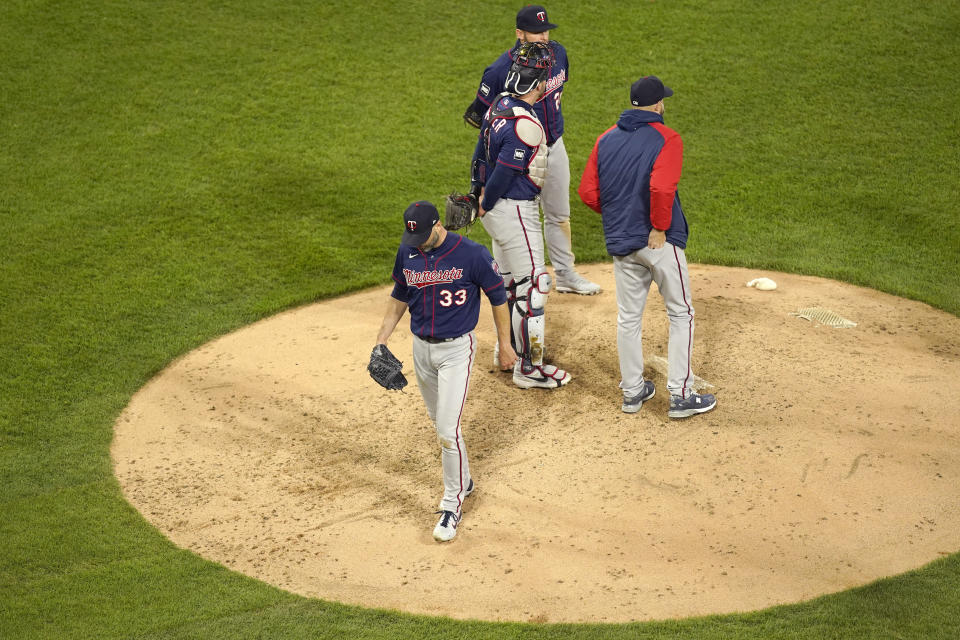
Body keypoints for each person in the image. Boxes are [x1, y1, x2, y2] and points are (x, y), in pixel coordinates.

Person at [374, 201, 518, 542]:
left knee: (446, 430)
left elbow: (498, 297)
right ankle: (464, 479)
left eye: (424, 236)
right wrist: (380, 341)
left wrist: (506, 344)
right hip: (420, 350)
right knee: (440, 423)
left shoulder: (472, 254)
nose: (419, 243)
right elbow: (399, 297)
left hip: (456, 351)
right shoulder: (408, 252)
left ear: (438, 225)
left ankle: (452, 503)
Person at [577, 76, 717, 418]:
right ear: (657, 105)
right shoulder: (667, 138)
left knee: (628, 318)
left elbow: (588, 193)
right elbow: (661, 187)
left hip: (622, 242)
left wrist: (620, 216)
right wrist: (658, 226)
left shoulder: (605, 139)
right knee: (681, 313)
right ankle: (682, 395)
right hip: (658, 241)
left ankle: (633, 392)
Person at [462, 4, 601, 296]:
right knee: (506, 214)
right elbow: (483, 120)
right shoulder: (499, 71)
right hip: (516, 153)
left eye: (545, 30)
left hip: (553, 144)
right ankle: (505, 282)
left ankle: (565, 274)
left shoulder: (559, 55)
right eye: (536, 32)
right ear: (519, 33)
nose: (543, 37)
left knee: (558, 214)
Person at [470, 41, 571, 390]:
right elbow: (504, 173)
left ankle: (508, 351)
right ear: (539, 84)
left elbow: (480, 154)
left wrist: (476, 193)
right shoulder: (527, 125)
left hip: (496, 214)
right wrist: (487, 198)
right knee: (535, 288)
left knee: (513, 284)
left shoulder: (499, 105)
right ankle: (530, 368)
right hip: (514, 211)